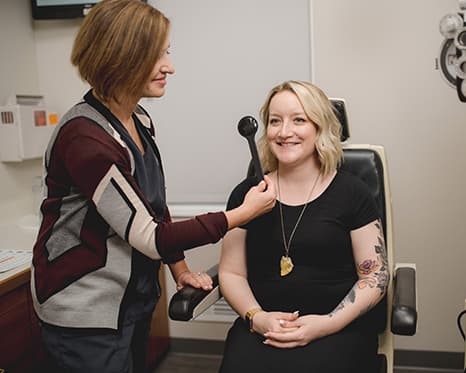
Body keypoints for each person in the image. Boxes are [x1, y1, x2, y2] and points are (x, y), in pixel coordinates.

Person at [29, 1, 276, 372]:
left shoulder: (138, 119)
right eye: (156, 55)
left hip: (132, 299)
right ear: (120, 57)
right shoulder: (86, 139)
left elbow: (152, 208)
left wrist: (179, 270)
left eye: (167, 53)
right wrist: (241, 215)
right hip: (85, 313)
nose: (170, 67)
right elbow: (150, 235)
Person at [218, 80, 390, 373]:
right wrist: (257, 318)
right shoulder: (246, 195)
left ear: (319, 128)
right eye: (275, 121)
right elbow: (231, 272)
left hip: (339, 327)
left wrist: (327, 324)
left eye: (299, 120)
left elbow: (375, 273)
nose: (284, 132)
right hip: (264, 329)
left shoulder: (353, 193)